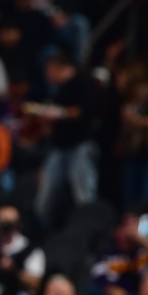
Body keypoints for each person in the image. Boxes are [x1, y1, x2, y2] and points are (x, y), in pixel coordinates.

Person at [33, 51, 98, 228]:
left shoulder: (82, 82)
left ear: (56, 67)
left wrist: (59, 113)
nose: (47, 76)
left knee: (84, 197)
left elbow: (86, 111)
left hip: (80, 146)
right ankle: (43, 235)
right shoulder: (59, 90)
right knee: (43, 201)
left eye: (48, 70)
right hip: (59, 148)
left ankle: (89, 233)